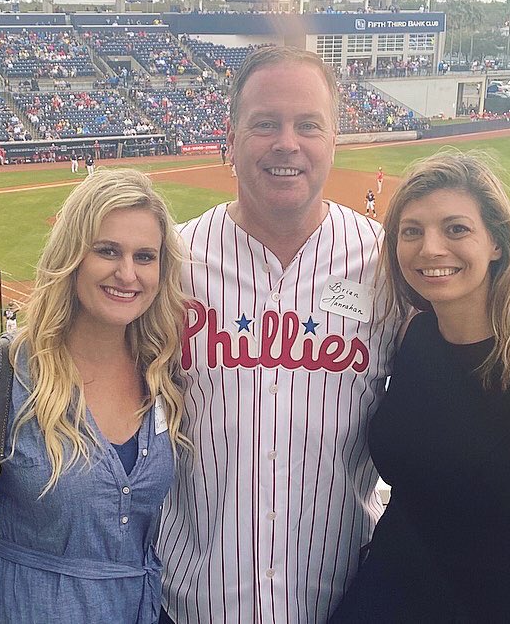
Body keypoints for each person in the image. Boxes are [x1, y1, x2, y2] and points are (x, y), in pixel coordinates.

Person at [0, 169, 189, 624]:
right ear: (73, 256)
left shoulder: (160, 372)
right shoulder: (3, 370)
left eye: (145, 256)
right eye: (107, 251)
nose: (127, 273)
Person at [158, 46, 400, 624]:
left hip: (341, 599)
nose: (286, 143)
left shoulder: (386, 262)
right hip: (192, 601)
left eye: (307, 125)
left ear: (334, 139)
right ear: (232, 139)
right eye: (265, 123)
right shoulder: (173, 261)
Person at [332, 152, 510, 622]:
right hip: (381, 600)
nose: (430, 249)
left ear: (496, 242)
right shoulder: (413, 337)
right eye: (412, 231)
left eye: (456, 229)